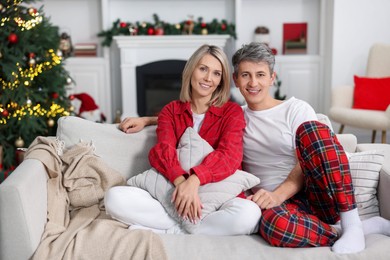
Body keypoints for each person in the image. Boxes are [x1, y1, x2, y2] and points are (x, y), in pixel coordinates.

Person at [118, 42, 390, 254]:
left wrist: (278, 194)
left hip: (316, 194)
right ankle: (349, 231)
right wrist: (149, 119)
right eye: (246, 75)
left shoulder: (296, 108)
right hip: (280, 209)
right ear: (235, 80)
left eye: (260, 75)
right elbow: (192, 117)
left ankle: (352, 224)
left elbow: (313, 154)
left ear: (272, 77)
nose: (253, 83)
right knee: (271, 227)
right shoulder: (236, 115)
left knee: (314, 129)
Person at [105, 44, 261, 235]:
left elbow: (230, 156)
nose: (208, 78)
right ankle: (192, 229)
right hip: (174, 194)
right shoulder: (171, 110)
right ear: (191, 70)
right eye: (203, 69)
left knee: (250, 214)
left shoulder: (232, 111)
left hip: (217, 196)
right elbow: (163, 151)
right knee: (114, 198)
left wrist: (194, 181)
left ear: (221, 80)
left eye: (216, 73)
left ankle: (171, 229)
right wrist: (182, 184)